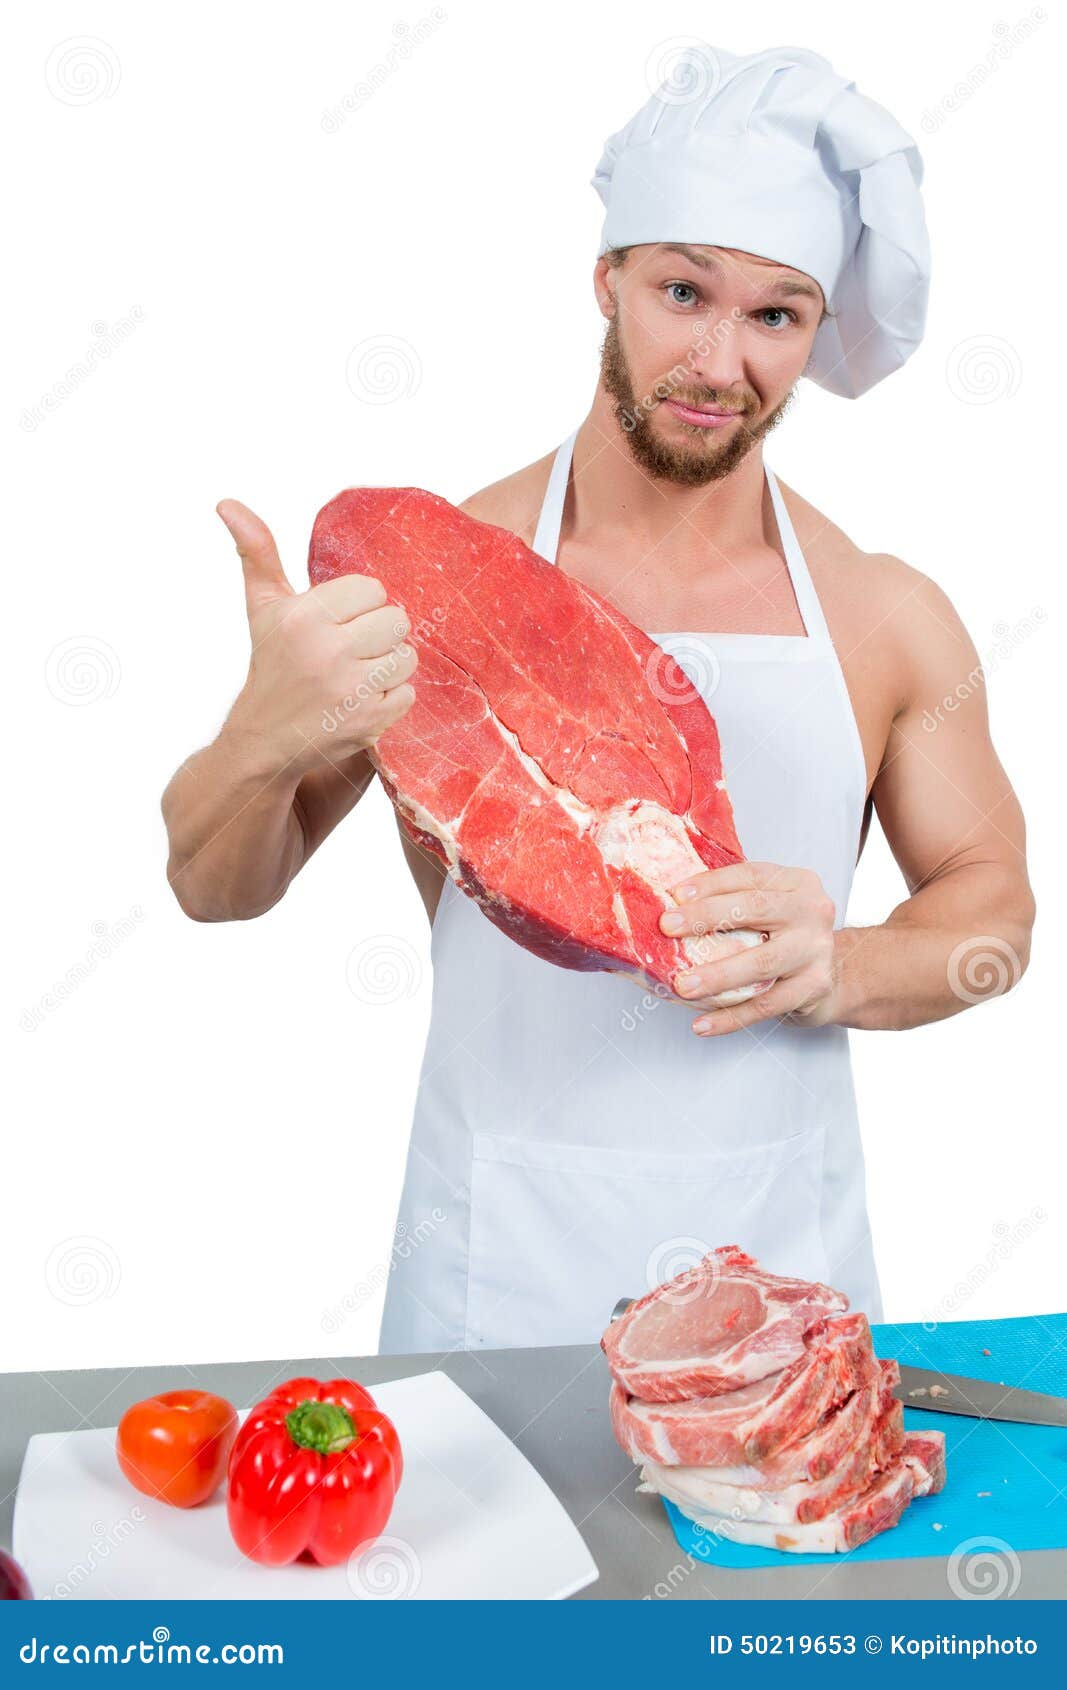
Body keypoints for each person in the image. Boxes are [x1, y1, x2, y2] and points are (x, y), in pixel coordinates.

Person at [162, 45, 1034, 1354]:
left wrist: (843, 963)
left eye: (775, 315)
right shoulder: (434, 577)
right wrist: (262, 736)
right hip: (495, 1261)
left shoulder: (883, 612)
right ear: (607, 279)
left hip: (775, 1275)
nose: (716, 359)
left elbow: (997, 908)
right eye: (683, 290)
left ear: (812, 338)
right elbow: (213, 881)